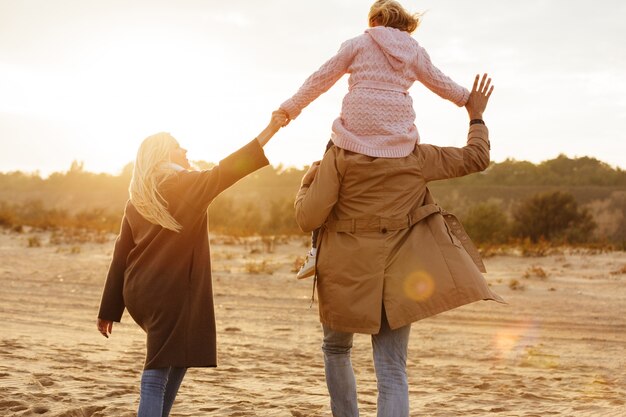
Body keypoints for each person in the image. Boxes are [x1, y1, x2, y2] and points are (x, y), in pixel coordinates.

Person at [293, 74, 504, 416]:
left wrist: (306, 183)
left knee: (336, 350)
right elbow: (476, 157)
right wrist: (475, 115)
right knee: (392, 367)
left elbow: (307, 218)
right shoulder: (417, 157)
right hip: (396, 278)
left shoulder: (337, 159)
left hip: (343, 272)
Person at [96, 112, 287, 417]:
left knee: (179, 357)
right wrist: (271, 129)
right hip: (170, 295)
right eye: (178, 146)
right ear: (163, 154)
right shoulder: (187, 184)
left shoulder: (138, 198)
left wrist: (108, 310)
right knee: (157, 370)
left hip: (140, 292)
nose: (185, 151)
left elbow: (121, 255)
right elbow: (230, 169)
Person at [278, 0, 472, 279]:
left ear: (373, 21)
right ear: (403, 22)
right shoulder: (414, 51)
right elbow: (441, 83)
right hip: (397, 139)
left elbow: (320, 78)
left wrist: (289, 108)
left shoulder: (357, 43)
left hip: (351, 134)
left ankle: (314, 251)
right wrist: (467, 99)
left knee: (324, 170)